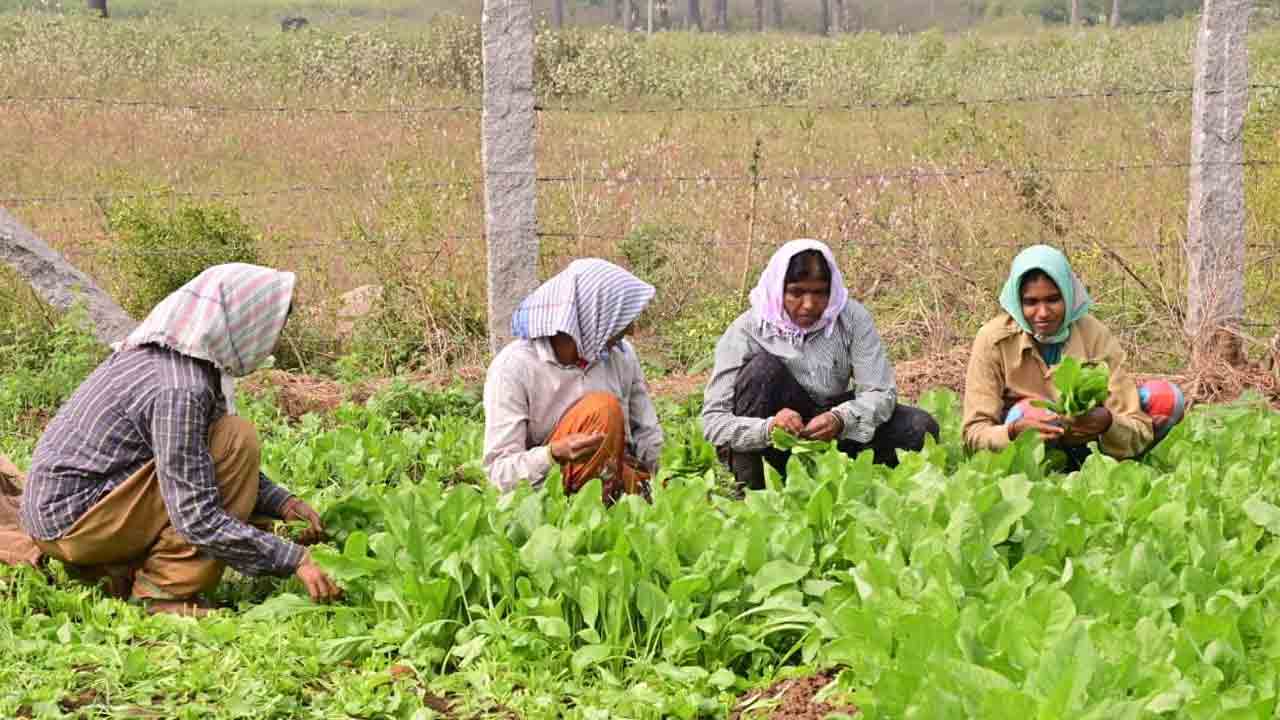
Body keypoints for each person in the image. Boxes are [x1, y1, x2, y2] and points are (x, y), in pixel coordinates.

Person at [18, 264, 341, 615]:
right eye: (272, 327)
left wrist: (282, 503)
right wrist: (295, 559)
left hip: (68, 513)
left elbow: (196, 457)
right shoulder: (180, 388)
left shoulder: (174, 359)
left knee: (226, 441)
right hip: (74, 524)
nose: (273, 341)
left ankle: (113, 570)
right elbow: (195, 515)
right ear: (243, 322)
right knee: (236, 439)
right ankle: (164, 594)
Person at [702, 239, 940, 490]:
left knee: (919, 428)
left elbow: (880, 392)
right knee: (762, 370)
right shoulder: (747, 330)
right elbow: (714, 422)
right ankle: (753, 490)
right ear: (778, 289)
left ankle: (845, 479)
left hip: (833, 430)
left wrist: (841, 418)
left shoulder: (852, 319)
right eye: (796, 292)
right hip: (773, 443)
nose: (809, 304)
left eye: (820, 292)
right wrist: (769, 427)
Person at [963, 245, 1185, 464]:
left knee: (1167, 399)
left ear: (1068, 296)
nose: (1042, 313)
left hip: (1089, 438)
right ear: (1017, 302)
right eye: (1031, 302)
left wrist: (1108, 423)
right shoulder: (993, 339)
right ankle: (1042, 468)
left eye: (1052, 300)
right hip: (1033, 445)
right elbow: (974, 432)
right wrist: (1013, 431)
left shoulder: (1095, 335)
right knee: (1026, 412)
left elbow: (1136, 423)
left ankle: (1109, 466)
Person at [483, 258, 663, 502]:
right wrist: (552, 455)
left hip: (615, 474)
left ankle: (619, 498)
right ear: (594, 316)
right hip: (546, 493)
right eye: (622, 318)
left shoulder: (621, 354)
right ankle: (584, 507)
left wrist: (661, 480)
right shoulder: (514, 368)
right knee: (603, 410)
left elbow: (647, 433)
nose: (631, 330)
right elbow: (498, 473)